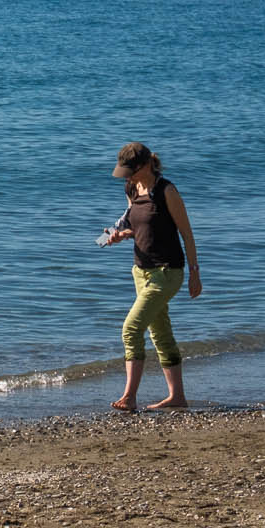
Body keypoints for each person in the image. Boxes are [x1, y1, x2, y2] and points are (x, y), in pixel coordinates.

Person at [99, 142, 202, 411]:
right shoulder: (132, 188)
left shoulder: (167, 191)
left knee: (131, 328)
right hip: (140, 271)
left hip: (168, 272)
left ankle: (129, 397)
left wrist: (194, 273)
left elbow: (187, 234)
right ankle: (177, 398)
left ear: (145, 166)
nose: (127, 177)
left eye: (130, 171)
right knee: (160, 333)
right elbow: (141, 226)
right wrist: (121, 235)